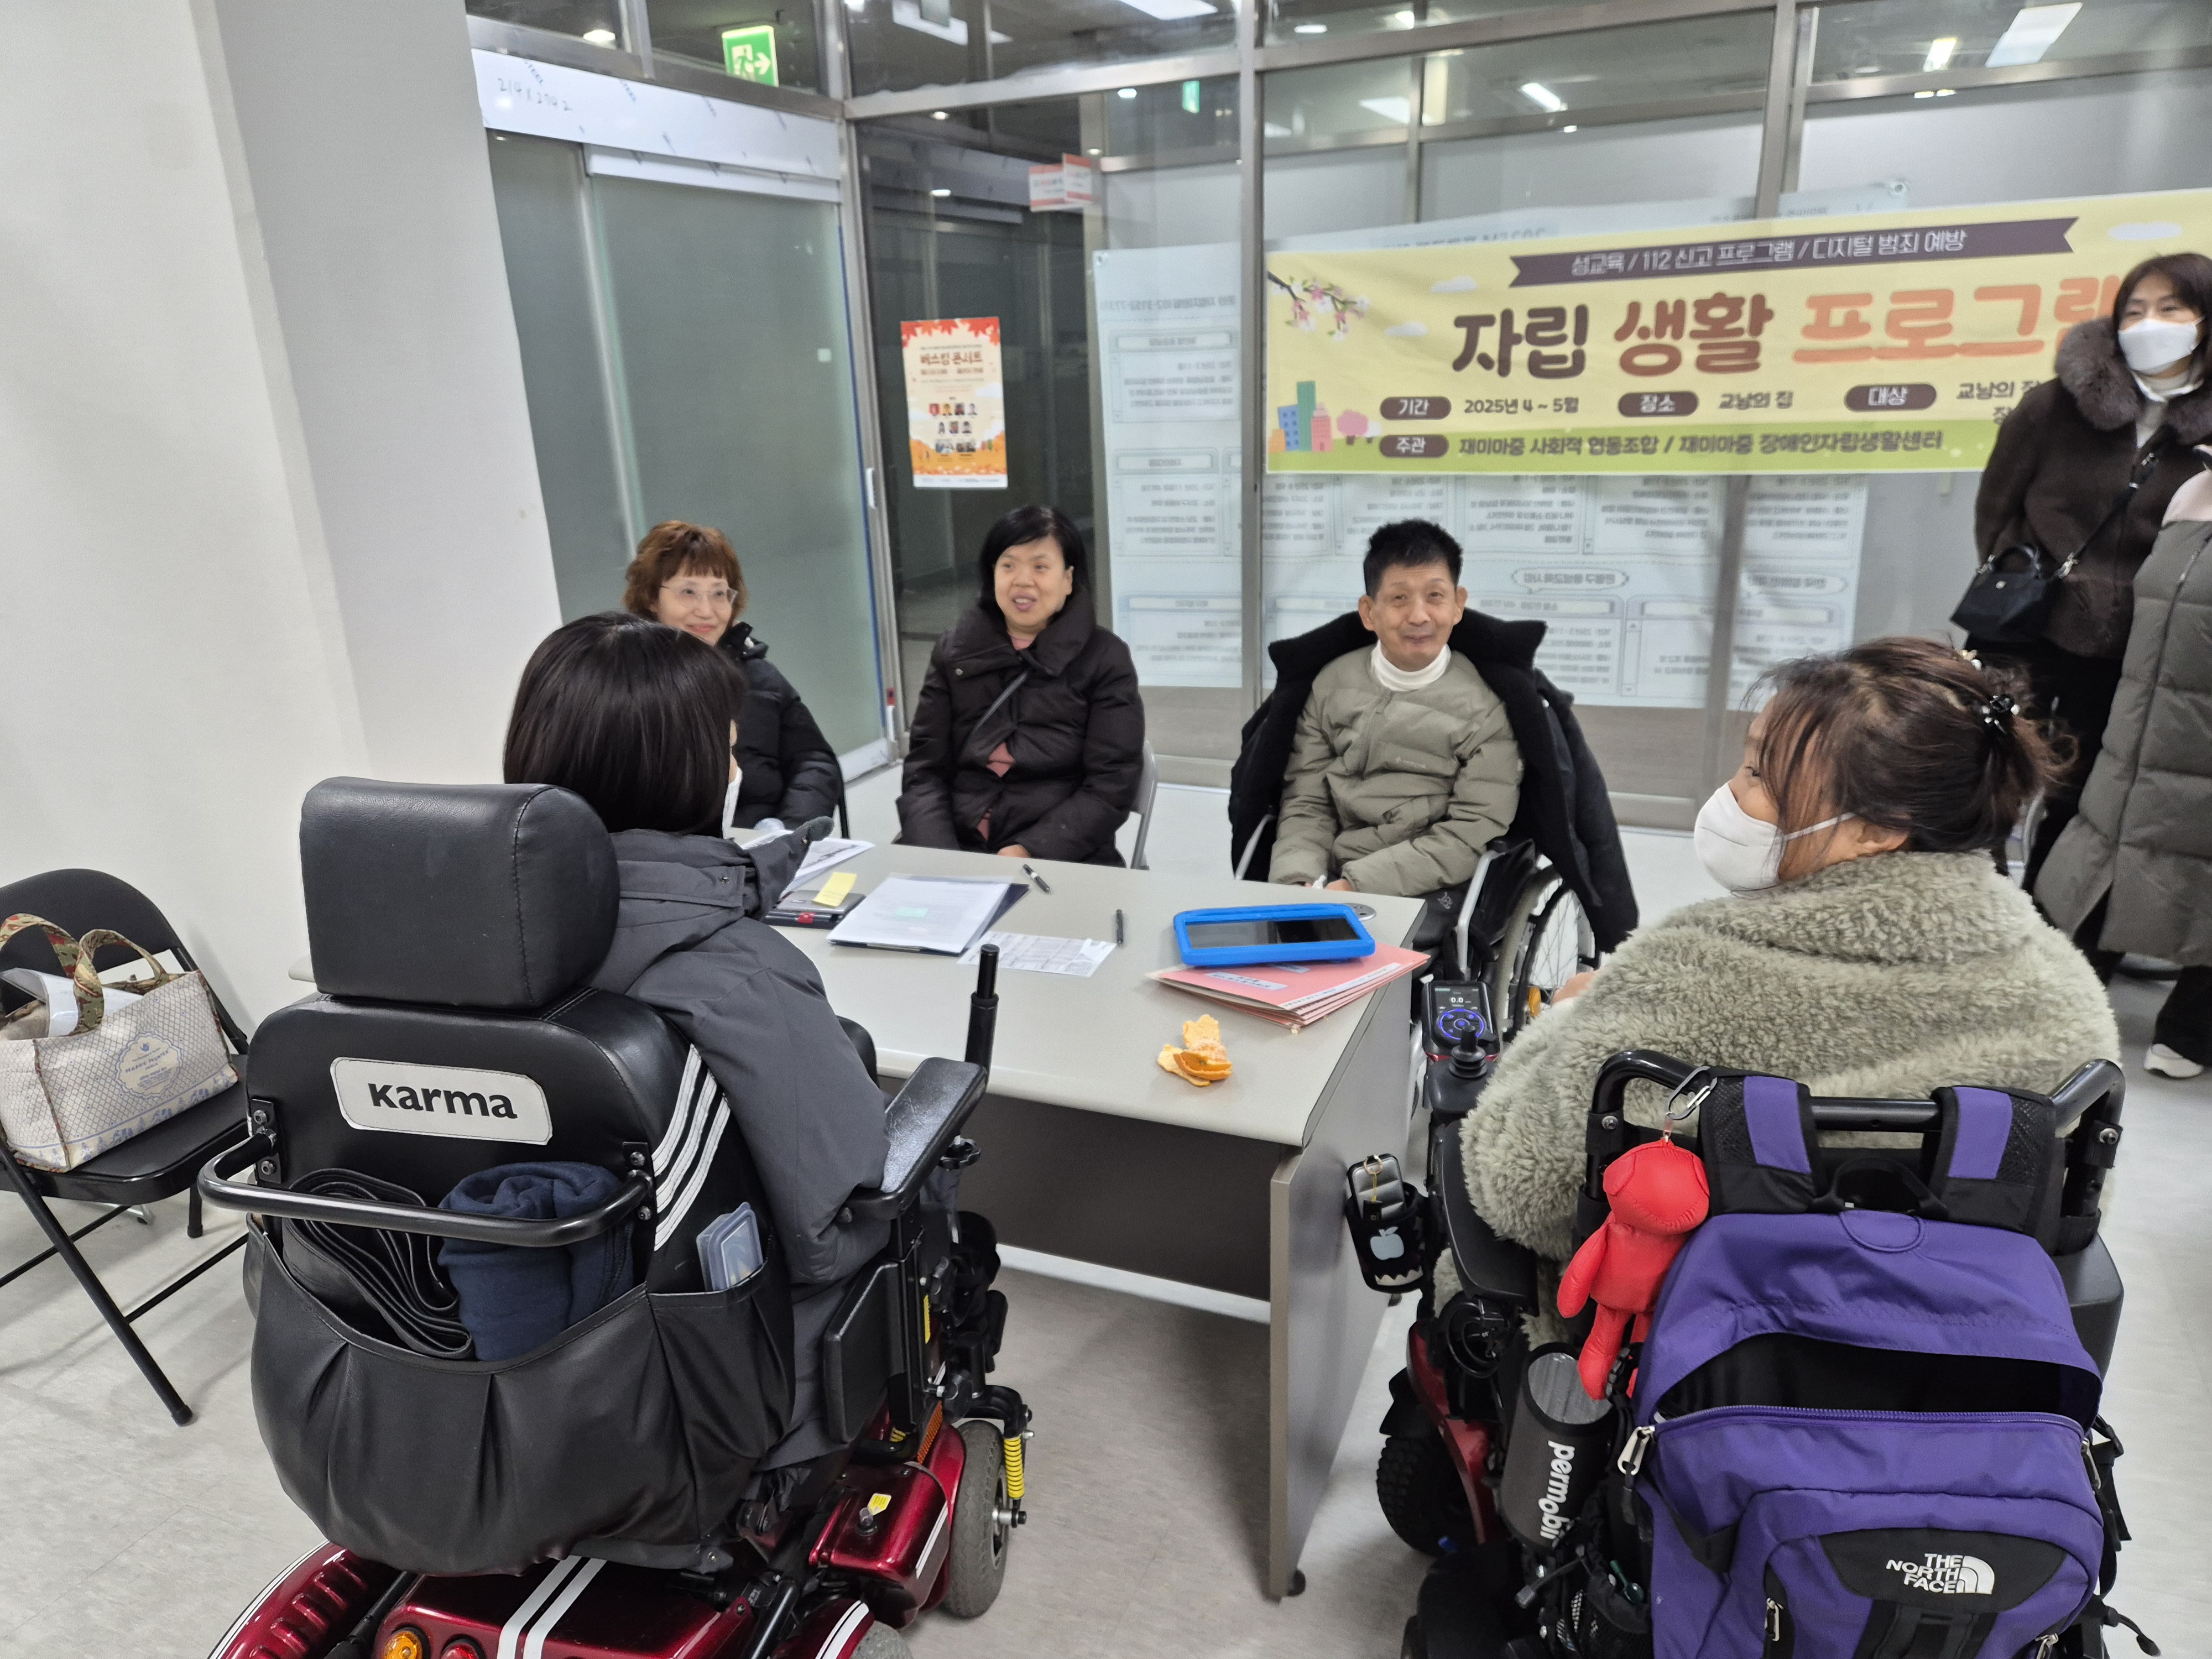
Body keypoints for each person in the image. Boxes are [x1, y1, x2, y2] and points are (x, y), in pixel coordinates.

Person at [1463, 637, 2120, 1265]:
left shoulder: (1685, 972)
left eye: (1759, 773)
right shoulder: (2062, 993)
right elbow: (2062, 1212)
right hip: (1954, 1330)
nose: (1732, 793)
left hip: (1691, 1325)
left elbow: (1524, 1194)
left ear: (1877, 829)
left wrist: (1565, 1021)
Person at [503, 611, 884, 1462]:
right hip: (706, 1380)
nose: (738, 767)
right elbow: (829, 1228)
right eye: (728, 747)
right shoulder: (733, 974)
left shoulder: (444, 943)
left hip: (493, 1348)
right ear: (689, 772)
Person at [1972, 251, 2212, 887]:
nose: (2148, 324)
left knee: (2080, 790)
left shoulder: (2204, 432)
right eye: (2133, 311)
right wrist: (2012, 577)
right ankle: (1974, 902)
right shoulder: (2054, 404)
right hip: (2025, 620)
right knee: (1984, 766)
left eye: (2170, 309)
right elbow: (1995, 505)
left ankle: (2045, 916)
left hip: (2132, 642)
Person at [2037, 447, 2212, 1081]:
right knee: (2101, 859)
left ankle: (2191, 1029)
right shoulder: (2192, 491)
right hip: (2139, 723)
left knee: (2203, 872)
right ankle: (2073, 996)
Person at [1266, 519, 1522, 897]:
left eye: (1435, 596)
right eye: (1400, 598)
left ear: (1457, 605)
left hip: (1427, 881)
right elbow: (1307, 802)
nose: (1419, 616)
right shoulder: (1331, 684)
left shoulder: (1487, 709)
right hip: (1328, 873)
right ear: (1369, 612)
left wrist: (1355, 886)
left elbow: (1468, 833)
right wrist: (1298, 879)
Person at [898, 504, 1143, 865]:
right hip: (955, 842)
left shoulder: (1105, 658)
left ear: (1068, 579)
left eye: (1040, 567)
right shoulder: (954, 652)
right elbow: (924, 770)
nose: (1023, 580)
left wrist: (1029, 850)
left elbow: (1112, 785)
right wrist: (940, 855)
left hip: (1059, 851)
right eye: (1009, 565)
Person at [623, 519, 842, 835]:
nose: (706, 610)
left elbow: (814, 759)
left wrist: (790, 832)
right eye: (688, 592)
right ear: (651, 598)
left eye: (719, 594)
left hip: (770, 840)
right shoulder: (625, 684)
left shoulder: (759, 675)